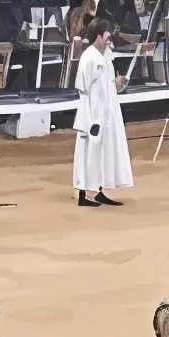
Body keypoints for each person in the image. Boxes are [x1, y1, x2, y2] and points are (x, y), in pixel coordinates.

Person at [64, 20, 133, 206]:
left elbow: (107, 84)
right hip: (92, 114)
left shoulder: (107, 55)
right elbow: (83, 86)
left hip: (107, 111)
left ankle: (99, 189)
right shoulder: (89, 57)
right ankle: (82, 195)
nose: (109, 40)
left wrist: (116, 84)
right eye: (107, 36)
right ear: (98, 36)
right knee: (88, 152)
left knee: (104, 151)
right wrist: (93, 113)